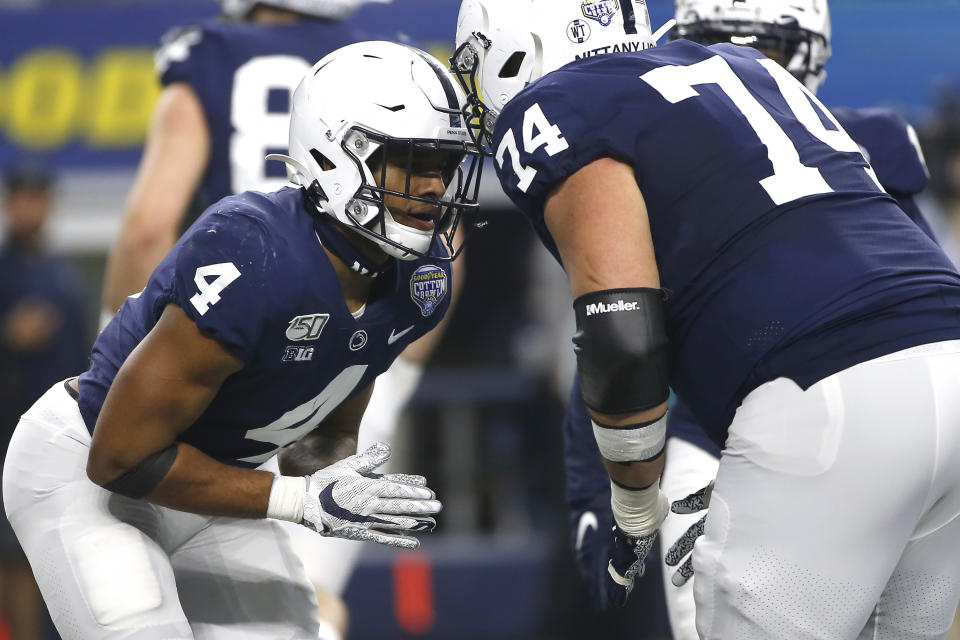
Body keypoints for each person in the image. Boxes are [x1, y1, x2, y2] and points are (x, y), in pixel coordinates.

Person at [453, 1, 960, 637]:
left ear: (513, 47)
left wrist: (635, 502)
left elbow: (623, 334)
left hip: (821, 391)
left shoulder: (557, 104)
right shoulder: (752, 71)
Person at [3, 41, 482, 640]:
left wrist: (339, 483)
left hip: (211, 483)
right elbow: (119, 457)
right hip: (88, 468)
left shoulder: (420, 280)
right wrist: (298, 502)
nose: (435, 187)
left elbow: (323, 432)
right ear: (340, 155)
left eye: (444, 165)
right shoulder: (255, 254)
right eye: (413, 162)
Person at [0, 159, 89, 640]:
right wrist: (8, 337)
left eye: (40, 197)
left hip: (60, 438)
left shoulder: (63, 278)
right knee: (12, 557)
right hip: (4, 439)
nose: (32, 207)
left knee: (53, 555)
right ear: (10, 203)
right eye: (23, 197)